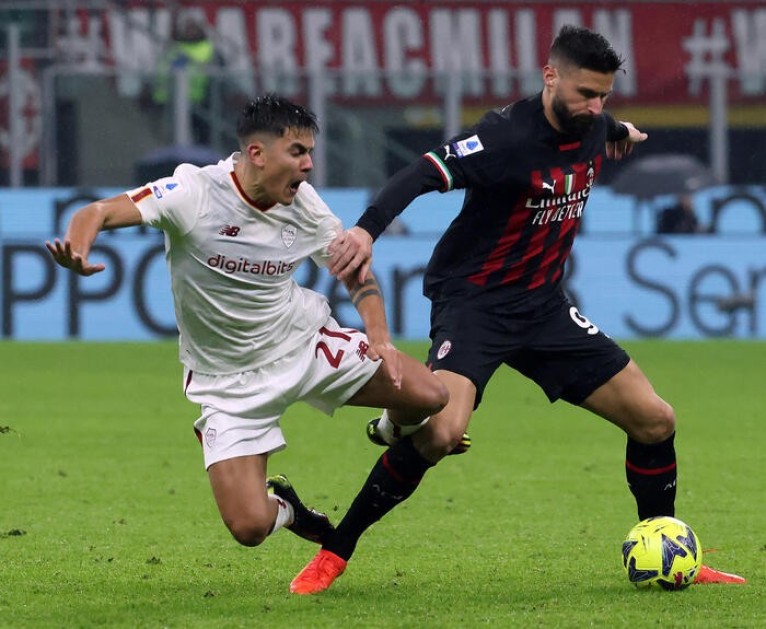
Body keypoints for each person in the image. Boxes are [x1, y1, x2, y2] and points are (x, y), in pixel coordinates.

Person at [289, 25, 745, 594]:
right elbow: (422, 172)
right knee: (441, 433)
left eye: (605, 96)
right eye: (585, 93)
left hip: (545, 308)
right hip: (475, 306)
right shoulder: (502, 139)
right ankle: (335, 552)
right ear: (549, 76)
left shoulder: (593, 123)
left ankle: (671, 549)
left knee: (656, 420)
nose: (595, 106)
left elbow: (603, 124)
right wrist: (366, 229)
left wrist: (619, 130)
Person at [45, 94, 448, 565]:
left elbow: (354, 270)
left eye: (311, 153)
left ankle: (387, 428)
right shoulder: (192, 193)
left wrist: (379, 336)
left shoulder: (304, 204)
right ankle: (291, 512)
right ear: (257, 154)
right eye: (298, 152)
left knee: (431, 397)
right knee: (249, 527)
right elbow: (96, 212)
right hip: (229, 382)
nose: (309, 165)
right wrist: (77, 246)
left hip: (303, 346)